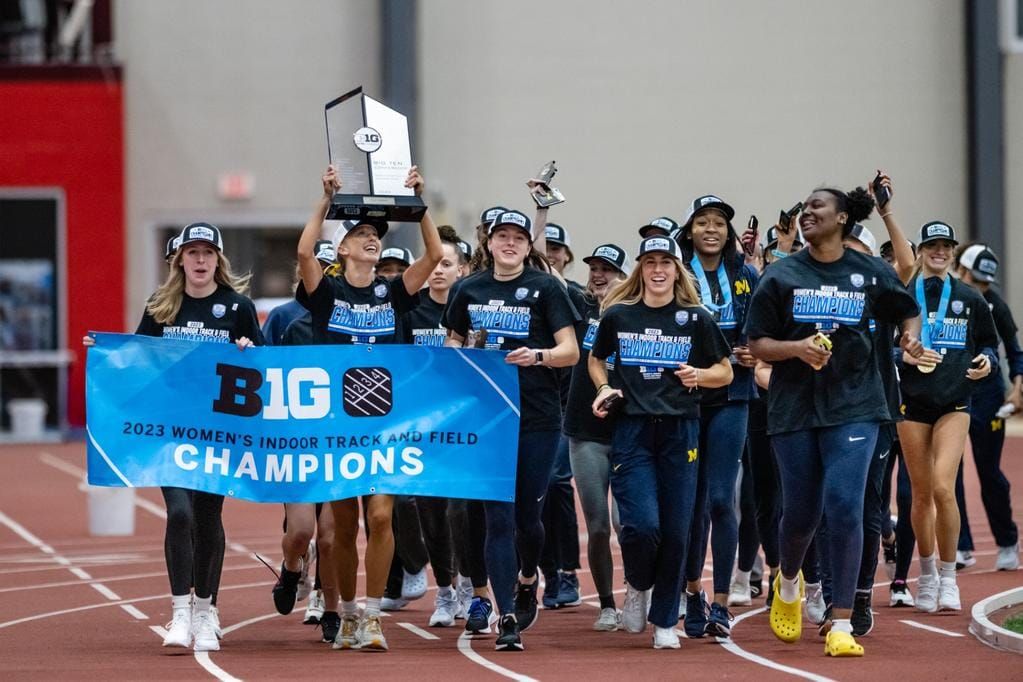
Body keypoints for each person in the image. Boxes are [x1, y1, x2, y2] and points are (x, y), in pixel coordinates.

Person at [745, 186, 924, 658]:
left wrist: (909, 339)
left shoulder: (869, 272)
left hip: (857, 403)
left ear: (842, 218)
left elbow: (908, 309)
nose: (806, 215)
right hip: (794, 407)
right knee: (801, 514)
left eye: (816, 208)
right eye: (803, 210)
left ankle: (841, 621)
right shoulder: (782, 275)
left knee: (845, 504)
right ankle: (788, 582)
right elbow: (757, 343)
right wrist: (796, 350)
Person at [84, 222, 261, 652]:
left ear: (219, 260)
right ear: (178, 260)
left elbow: (264, 368)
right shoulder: (161, 307)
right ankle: (180, 611)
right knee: (179, 513)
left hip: (219, 433)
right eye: (192, 252)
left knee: (206, 516)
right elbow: (137, 361)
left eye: (207, 252)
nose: (200, 260)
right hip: (170, 431)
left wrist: (248, 352)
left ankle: (207, 610)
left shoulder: (237, 307)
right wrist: (104, 352)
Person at [296, 164, 442, 652]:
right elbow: (301, 251)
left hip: (383, 421)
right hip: (336, 422)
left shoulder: (392, 292)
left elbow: (436, 253)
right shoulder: (326, 293)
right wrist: (325, 200)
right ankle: (340, 608)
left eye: (374, 235)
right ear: (342, 249)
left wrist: (418, 202)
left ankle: (371, 616)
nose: (370, 240)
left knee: (382, 517)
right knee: (340, 527)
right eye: (360, 234)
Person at [443, 208, 580, 651]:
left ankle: (527, 578)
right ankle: (506, 619)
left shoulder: (545, 288)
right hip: (487, 419)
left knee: (528, 521)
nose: (509, 243)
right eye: (501, 235)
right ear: (488, 241)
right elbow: (452, 343)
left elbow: (571, 351)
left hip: (537, 417)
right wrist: (464, 354)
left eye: (518, 237)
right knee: (496, 518)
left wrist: (536, 356)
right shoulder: (467, 289)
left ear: (527, 245)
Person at [589, 235, 732, 649]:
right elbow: (596, 358)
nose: (657, 270)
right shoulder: (619, 315)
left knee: (676, 530)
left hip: (681, 431)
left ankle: (666, 620)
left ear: (676, 269)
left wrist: (699, 377)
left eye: (665, 263)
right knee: (640, 526)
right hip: (632, 429)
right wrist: (603, 388)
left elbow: (725, 371)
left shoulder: (696, 318)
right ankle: (637, 582)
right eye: (649, 262)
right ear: (640, 269)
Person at [897, 221, 999, 614]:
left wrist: (987, 362)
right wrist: (901, 355)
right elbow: (883, 345)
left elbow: (989, 343)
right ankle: (926, 575)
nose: (939, 251)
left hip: (955, 403)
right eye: (932, 245)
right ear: (921, 250)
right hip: (912, 403)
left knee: (944, 487)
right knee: (921, 494)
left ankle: (949, 577)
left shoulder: (970, 297)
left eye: (945, 246)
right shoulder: (905, 296)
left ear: (953, 252)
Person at [673, 195, 759, 639]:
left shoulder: (746, 275)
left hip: (733, 395)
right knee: (690, 503)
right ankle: (691, 593)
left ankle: (721, 602)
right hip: (684, 398)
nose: (711, 229)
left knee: (723, 499)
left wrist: (752, 348)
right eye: (703, 222)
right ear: (689, 230)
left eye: (719, 224)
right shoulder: (675, 271)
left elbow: (764, 326)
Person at [398, 225, 472, 626]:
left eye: (447, 264)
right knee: (428, 512)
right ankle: (444, 590)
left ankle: (467, 583)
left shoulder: (474, 307)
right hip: (419, 427)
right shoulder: (410, 312)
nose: (438, 271)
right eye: (432, 264)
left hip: (465, 426)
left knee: (460, 511)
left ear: (462, 269)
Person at [562, 242, 629, 630]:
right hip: (585, 431)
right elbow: (540, 266)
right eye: (594, 268)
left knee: (629, 524)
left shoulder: (633, 313)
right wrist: (541, 210)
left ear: (623, 276)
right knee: (599, 525)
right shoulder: (579, 308)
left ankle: (639, 591)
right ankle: (606, 604)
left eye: (608, 269)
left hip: (628, 430)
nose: (599, 275)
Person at [953, 244, 1021, 571]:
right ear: (961, 271)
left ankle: (1007, 540)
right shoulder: (946, 299)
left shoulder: (996, 305)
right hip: (952, 393)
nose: (981, 288)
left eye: (986, 283)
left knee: (989, 472)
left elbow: (1015, 351)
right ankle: (961, 545)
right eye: (976, 280)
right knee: (949, 472)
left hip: (989, 397)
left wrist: (1018, 386)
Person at [539, 221, 584, 610]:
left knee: (555, 482)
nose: (550, 253)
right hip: (525, 404)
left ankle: (567, 570)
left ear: (567, 256)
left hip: (566, 406)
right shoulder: (526, 295)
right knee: (532, 491)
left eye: (557, 248)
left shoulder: (575, 297)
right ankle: (546, 571)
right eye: (545, 247)